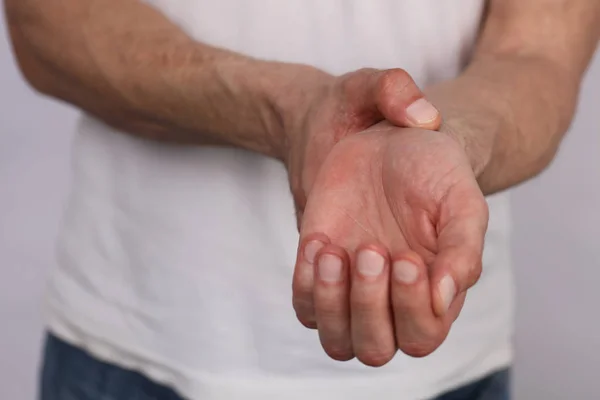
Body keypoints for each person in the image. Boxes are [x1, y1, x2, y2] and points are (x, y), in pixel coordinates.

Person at [5, 0, 599, 399]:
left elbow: (538, 50)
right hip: (132, 346)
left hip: (446, 374)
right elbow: (50, 24)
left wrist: (448, 140)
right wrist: (289, 112)